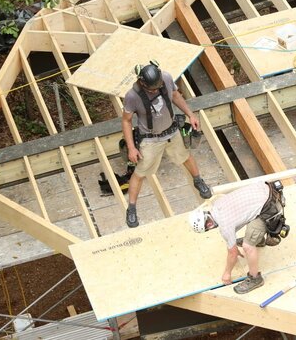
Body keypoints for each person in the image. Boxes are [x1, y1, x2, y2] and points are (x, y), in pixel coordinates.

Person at [122, 62, 212, 228]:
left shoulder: (166, 78)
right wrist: (131, 148)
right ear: (142, 82)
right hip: (150, 139)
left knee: (185, 156)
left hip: (172, 131)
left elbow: (176, 97)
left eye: (158, 87)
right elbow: (126, 121)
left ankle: (198, 180)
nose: (156, 91)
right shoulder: (132, 96)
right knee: (140, 173)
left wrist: (190, 115)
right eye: (152, 89)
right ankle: (132, 208)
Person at [189, 180, 287, 294]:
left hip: (271, 208)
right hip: (271, 190)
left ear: (209, 225)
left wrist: (227, 273)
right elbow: (240, 218)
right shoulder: (217, 203)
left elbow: (233, 254)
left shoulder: (224, 226)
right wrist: (233, 246)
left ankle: (255, 278)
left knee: (247, 246)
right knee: (248, 215)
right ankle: (258, 239)